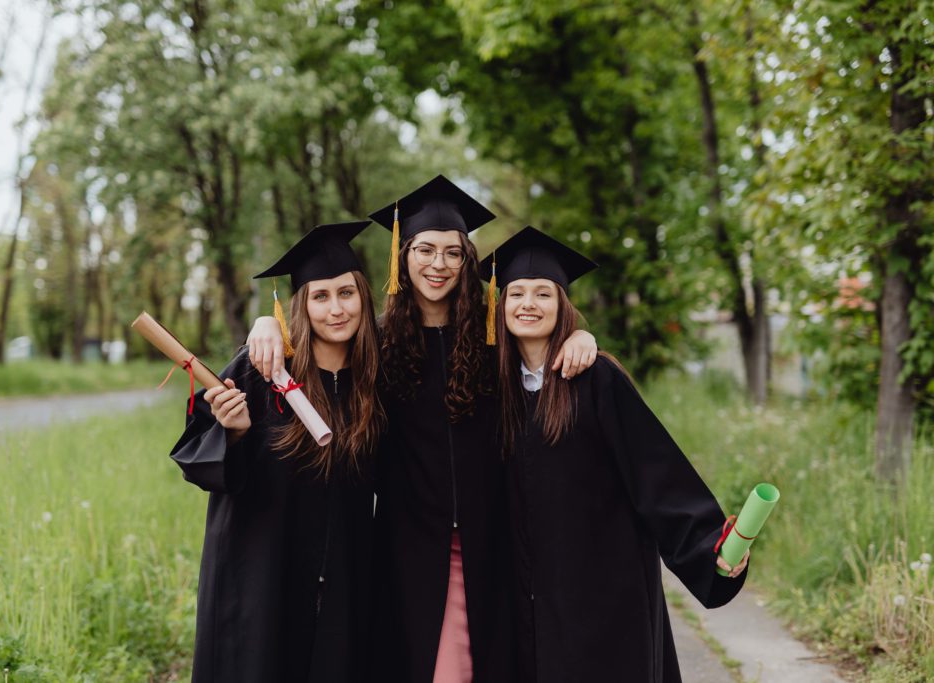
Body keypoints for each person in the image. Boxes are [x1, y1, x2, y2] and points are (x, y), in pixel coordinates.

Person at [246, 176, 599, 683]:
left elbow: (545, 338)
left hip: (491, 534)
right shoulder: (376, 338)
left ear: (468, 261)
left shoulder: (493, 331)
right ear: (401, 255)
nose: (439, 265)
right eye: (425, 250)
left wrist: (581, 333)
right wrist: (266, 324)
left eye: (453, 253)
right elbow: (318, 341)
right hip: (406, 540)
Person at [479, 226, 750, 683]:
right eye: (516, 294)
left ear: (563, 305)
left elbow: (656, 474)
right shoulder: (491, 388)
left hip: (603, 589)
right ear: (500, 306)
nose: (528, 304)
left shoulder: (597, 380)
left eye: (543, 293)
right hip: (521, 596)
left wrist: (709, 551)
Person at [169, 221, 385, 683]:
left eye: (346, 293)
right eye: (320, 297)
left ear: (364, 298)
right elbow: (196, 458)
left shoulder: (377, 377)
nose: (336, 309)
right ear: (301, 306)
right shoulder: (261, 368)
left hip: (343, 574)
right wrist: (234, 432)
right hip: (260, 572)